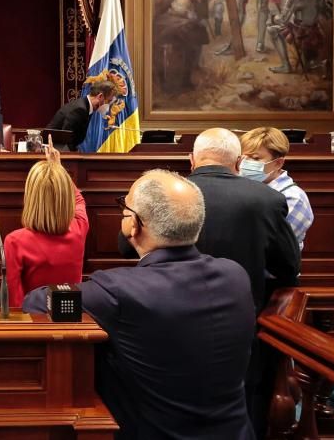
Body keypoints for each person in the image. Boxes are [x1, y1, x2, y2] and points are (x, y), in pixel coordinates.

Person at [23, 170, 256, 440]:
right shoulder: (236, 275)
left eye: (125, 208)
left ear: (133, 225)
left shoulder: (116, 291)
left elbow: (37, 301)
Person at [189, 127, 301, 437]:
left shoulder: (169, 191)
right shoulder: (268, 199)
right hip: (245, 319)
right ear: (238, 162)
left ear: (191, 160)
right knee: (246, 399)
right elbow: (288, 267)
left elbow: (126, 244)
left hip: (174, 319)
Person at [5, 137, 88, 307]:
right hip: (71, 319)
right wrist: (58, 169)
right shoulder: (79, 228)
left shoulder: (15, 241)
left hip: (33, 323)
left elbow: (15, 300)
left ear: (30, 198)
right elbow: (79, 200)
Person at [240, 127, 314, 249]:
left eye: (255, 158)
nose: (246, 163)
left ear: (278, 163)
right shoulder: (242, 186)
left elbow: (271, 246)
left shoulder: (293, 198)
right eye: (243, 157)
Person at [46, 77, 121, 151]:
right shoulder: (80, 109)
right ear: (100, 96)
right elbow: (66, 139)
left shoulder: (86, 106)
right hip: (55, 150)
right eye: (108, 101)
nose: (108, 105)